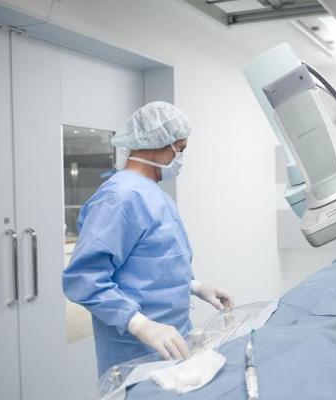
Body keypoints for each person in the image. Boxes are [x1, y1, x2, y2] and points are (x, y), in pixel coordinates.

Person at [62, 101, 234, 376]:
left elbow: (152, 264)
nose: (181, 158)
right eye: (180, 149)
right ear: (158, 144)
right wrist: (140, 324)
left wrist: (196, 286)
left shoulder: (153, 194)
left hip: (173, 340)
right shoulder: (120, 197)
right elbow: (84, 279)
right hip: (134, 350)